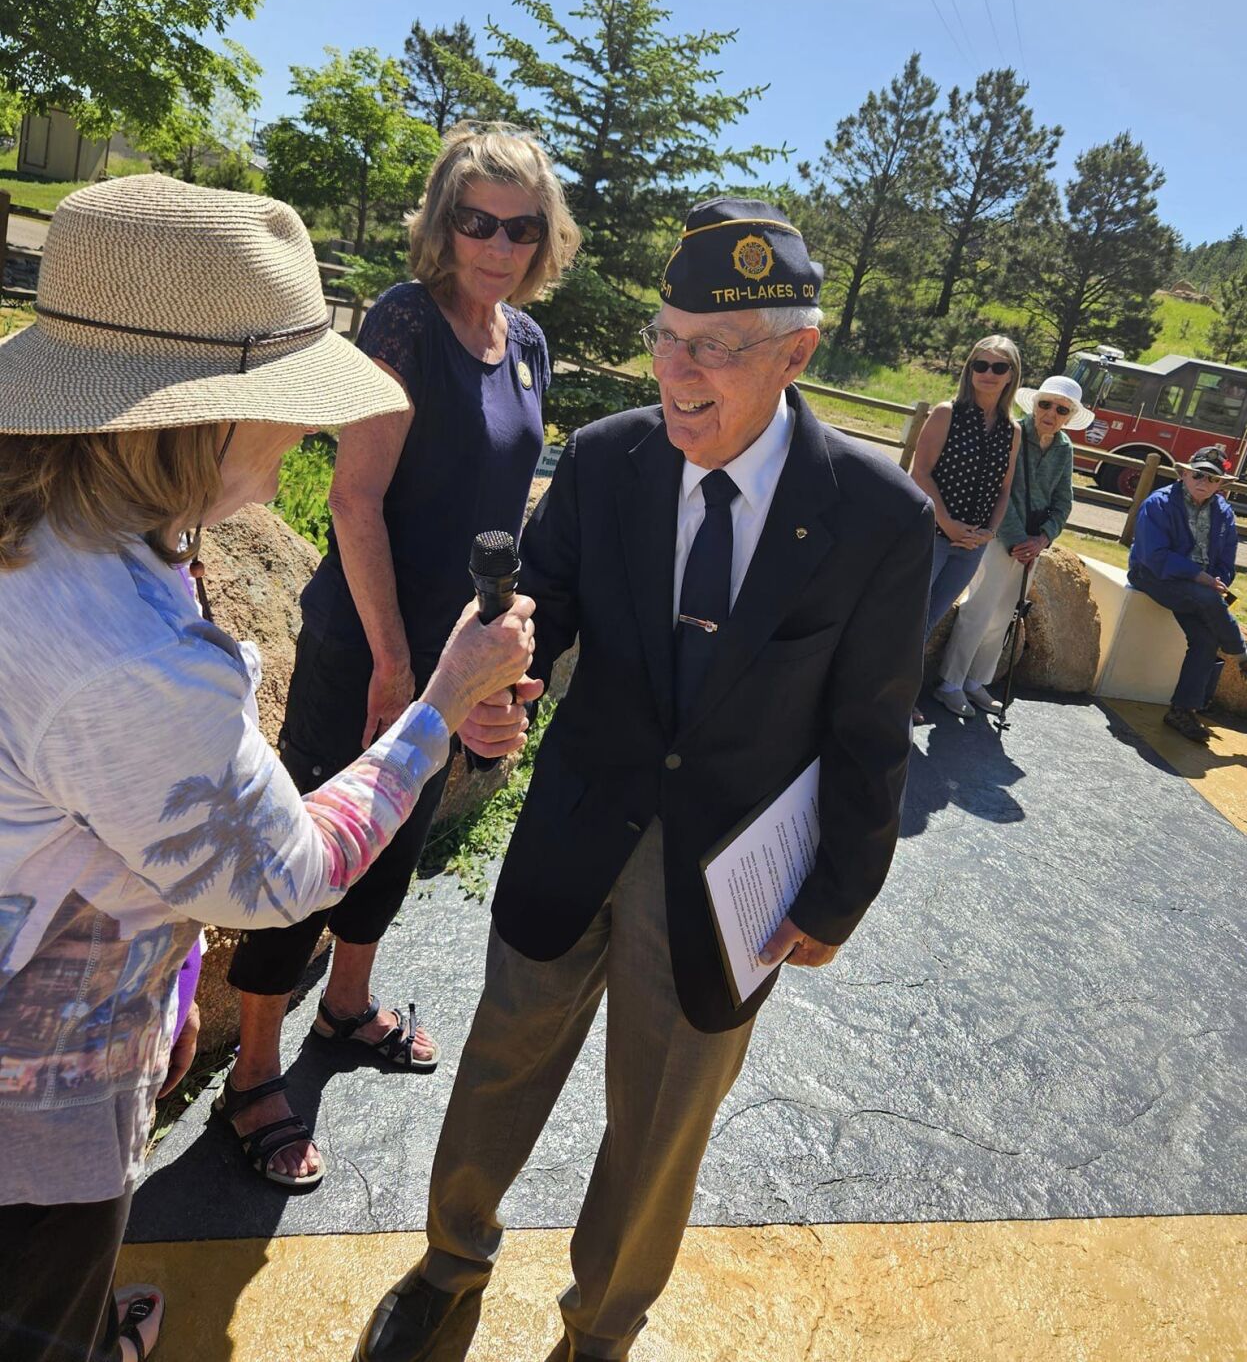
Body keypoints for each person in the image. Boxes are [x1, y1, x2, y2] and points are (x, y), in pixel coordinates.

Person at [351, 199, 934, 1362]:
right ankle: (447, 1265)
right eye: (667, 335)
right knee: (498, 1064)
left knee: (661, 1126)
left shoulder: (880, 519)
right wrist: (501, 688)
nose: (676, 371)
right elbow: (548, 603)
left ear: (796, 353)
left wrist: (839, 891)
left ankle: (600, 1332)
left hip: (730, 881)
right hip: (573, 829)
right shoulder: (609, 455)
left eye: (712, 348)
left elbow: (872, 727)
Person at [0, 175, 536, 1362]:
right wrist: (439, 703)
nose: (311, 434)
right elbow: (277, 875)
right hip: (32, 1104)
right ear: (201, 413)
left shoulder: (53, 520)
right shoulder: (130, 655)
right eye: (291, 402)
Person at [224, 122, 579, 1186]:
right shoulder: (403, 323)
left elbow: (503, 513)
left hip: (455, 647)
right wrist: (392, 661)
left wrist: (493, 654)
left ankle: (344, 1005)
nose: (497, 243)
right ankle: (251, 1071)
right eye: (476, 219)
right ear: (442, 220)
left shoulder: (524, 342)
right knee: (307, 845)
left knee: (403, 828)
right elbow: (353, 496)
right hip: (362, 642)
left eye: (520, 226)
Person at [933, 373, 1090, 717]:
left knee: (1004, 616)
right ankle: (950, 683)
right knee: (978, 611)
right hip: (999, 538)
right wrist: (1020, 540)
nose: (1050, 413)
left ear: (1069, 415)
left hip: (1032, 545)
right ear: (1034, 405)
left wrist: (1044, 537)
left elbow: (1064, 500)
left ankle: (977, 681)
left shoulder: (1065, 449)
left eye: (1060, 409)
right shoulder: (1013, 432)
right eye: (1044, 404)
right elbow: (1000, 492)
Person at [910, 336, 1021, 720]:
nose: (988, 374)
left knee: (931, 618)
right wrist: (948, 524)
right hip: (932, 536)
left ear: (1011, 376)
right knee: (910, 618)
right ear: (969, 369)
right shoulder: (946, 413)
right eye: (980, 365)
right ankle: (887, 697)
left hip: (972, 545)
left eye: (999, 367)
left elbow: (1004, 490)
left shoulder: (1012, 430)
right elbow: (920, 473)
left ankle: (900, 696)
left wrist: (989, 532)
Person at [1127, 444, 1247, 742]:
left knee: (1206, 638)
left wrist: (1218, 580)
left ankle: (1182, 710)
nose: (1203, 482)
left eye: (1212, 479)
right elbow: (1153, 556)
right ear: (1183, 473)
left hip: (1199, 586)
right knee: (1206, 599)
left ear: (1221, 485)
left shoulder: (1224, 513)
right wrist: (1199, 577)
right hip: (1154, 576)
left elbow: (1226, 562)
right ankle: (1243, 655)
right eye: (1198, 474)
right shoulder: (1159, 503)